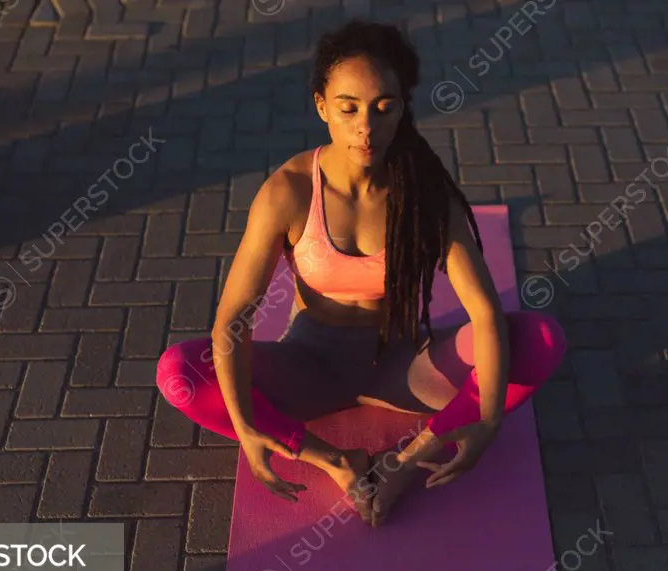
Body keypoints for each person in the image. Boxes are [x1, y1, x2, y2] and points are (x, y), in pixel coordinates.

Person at [155, 19, 566, 527]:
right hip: (309, 366)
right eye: (348, 108)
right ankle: (340, 463)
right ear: (322, 106)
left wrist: (484, 422)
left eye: (383, 108)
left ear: (402, 108)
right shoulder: (288, 192)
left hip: (404, 365)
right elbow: (232, 319)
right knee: (179, 374)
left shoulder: (425, 193)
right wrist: (250, 427)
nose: (365, 127)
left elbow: (483, 314)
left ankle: (400, 464)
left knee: (541, 339)